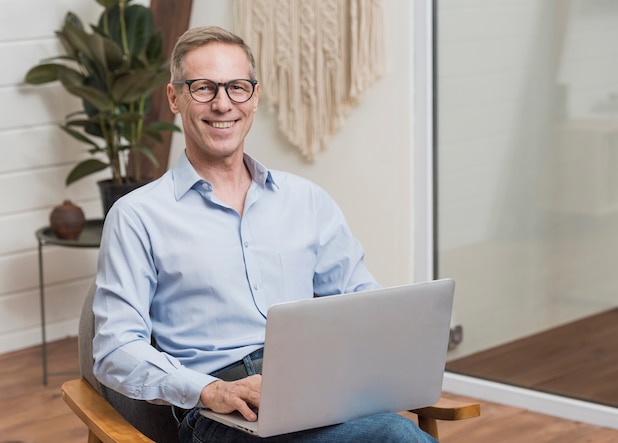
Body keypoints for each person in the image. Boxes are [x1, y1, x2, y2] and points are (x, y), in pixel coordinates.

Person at [92, 25, 437, 443]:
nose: (223, 104)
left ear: (254, 97)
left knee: (393, 434)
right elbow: (114, 350)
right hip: (219, 413)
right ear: (175, 98)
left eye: (237, 87)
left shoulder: (306, 200)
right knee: (394, 438)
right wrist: (209, 390)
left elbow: (362, 303)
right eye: (203, 88)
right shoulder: (137, 216)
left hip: (315, 391)